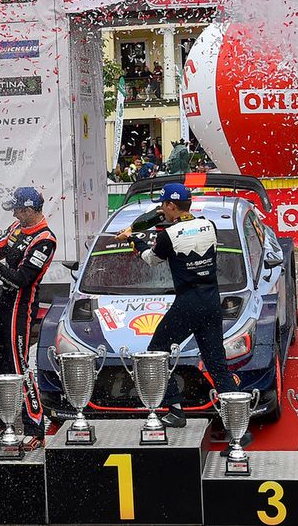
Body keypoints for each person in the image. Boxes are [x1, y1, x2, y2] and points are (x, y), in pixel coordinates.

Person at [115, 183, 240, 441]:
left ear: (171, 206)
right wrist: (162, 221)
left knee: (156, 353)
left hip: (188, 302)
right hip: (211, 301)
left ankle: (175, 409)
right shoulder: (209, 225)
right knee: (217, 366)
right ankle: (236, 427)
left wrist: (134, 239)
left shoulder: (168, 235)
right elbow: (183, 228)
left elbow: (150, 259)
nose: (161, 209)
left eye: (163, 204)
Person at [0, 187, 56, 450]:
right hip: (5, 303)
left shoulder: (45, 239)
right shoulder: (18, 228)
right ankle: (1, 422)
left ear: (29, 210)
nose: (14, 213)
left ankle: (35, 427)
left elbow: (21, 280)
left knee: (19, 365)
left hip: (22, 304)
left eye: (17, 209)